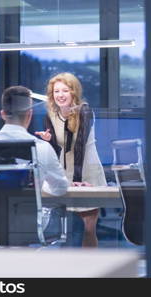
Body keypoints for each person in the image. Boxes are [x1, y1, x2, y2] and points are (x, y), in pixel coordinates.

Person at [35, 72, 107, 247]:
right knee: (67, 230)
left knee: (88, 229)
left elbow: (80, 146)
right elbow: (57, 148)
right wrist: (48, 140)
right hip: (63, 173)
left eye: (65, 91)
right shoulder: (50, 115)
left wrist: (77, 180)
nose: (60, 95)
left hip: (87, 171)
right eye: (56, 91)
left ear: (73, 92)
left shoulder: (84, 111)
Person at [0, 85, 69, 197]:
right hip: (28, 213)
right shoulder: (42, 148)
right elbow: (60, 188)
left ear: (3, 114)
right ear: (29, 114)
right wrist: (40, 184)